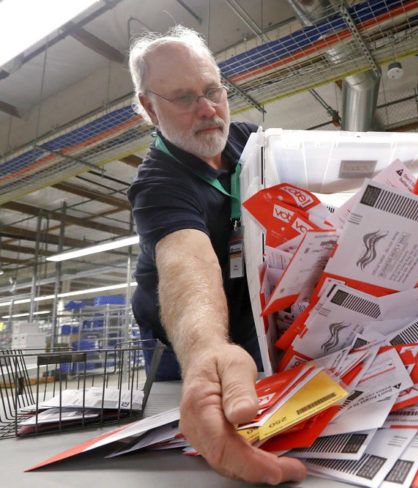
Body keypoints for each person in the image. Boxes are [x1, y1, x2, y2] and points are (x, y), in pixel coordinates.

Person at [127, 26, 306, 484]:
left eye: (212, 91)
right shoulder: (158, 184)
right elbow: (187, 263)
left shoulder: (251, 144)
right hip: (179, 342)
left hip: (246, 329)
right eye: (185, 98)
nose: (208, 109)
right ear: (150, 108)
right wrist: (205, 351)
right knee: (182, 419)